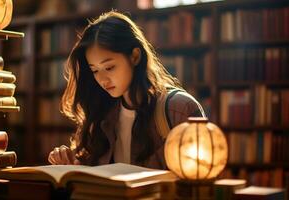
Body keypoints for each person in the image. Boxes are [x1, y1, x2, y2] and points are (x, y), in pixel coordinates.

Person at [48, 10, 205, 169]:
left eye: (109, 67)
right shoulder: (101, 115)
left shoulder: (179, 108)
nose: (102, 79)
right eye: (95, 70)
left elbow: (200, 177)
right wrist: (71, 162)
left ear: (135, 56)